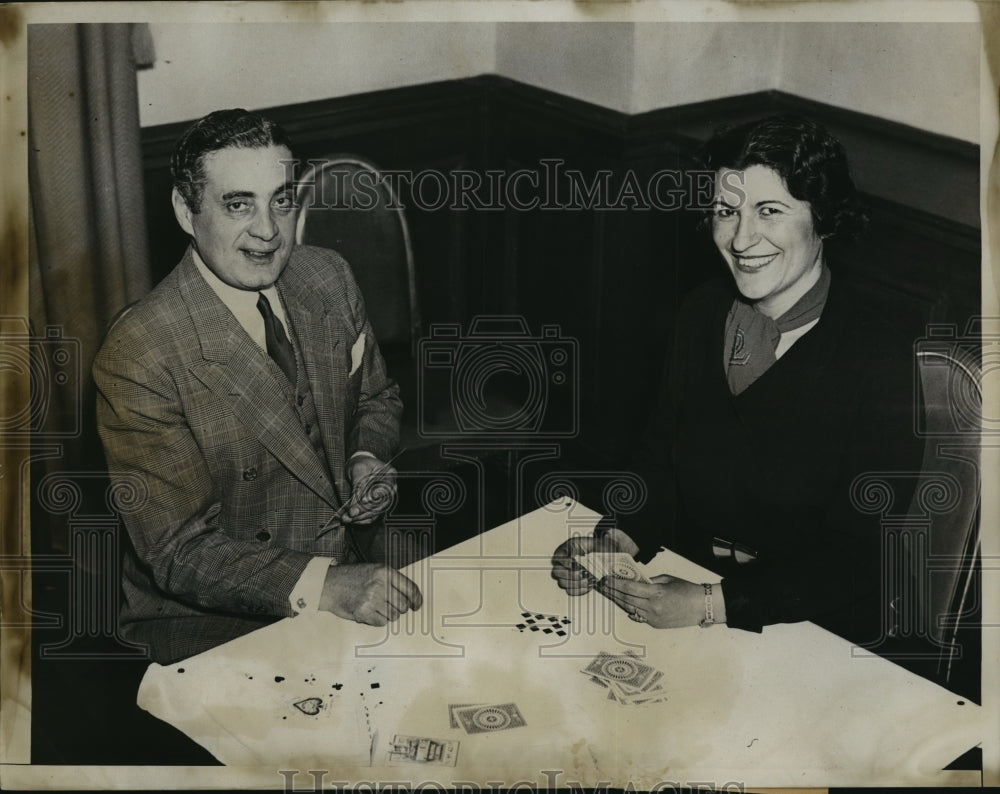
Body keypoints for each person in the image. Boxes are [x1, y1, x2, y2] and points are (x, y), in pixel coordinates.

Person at [551, 116, 925, 646]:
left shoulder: (882, 358)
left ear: (824, 218)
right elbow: (660, 462)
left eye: (769, 210)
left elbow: (860, 557)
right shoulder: (701, 312)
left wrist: (713, 605)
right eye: (726, 212)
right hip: (693, 587)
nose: (742, 238)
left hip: (825, 628)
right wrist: (616, 541)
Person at [94, 109, 422, 664]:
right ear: (185, 209)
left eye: (282, 199)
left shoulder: (327, 274)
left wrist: (366, 456)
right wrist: (328, 586)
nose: (269, 230)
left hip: (358, 552)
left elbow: (376, 397)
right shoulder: (140, 352)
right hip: (214, 614)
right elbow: (179, 552)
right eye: (238, 203)